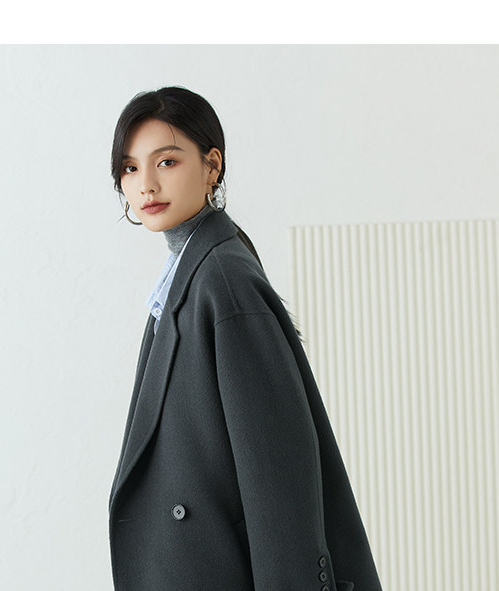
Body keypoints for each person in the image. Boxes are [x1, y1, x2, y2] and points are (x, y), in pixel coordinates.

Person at [108, 86, 382, 591]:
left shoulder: (223, 280)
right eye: (129, 168)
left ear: (212, 165)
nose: (145, 185)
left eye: (166, 162)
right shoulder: (193, 272)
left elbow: (278, 476)